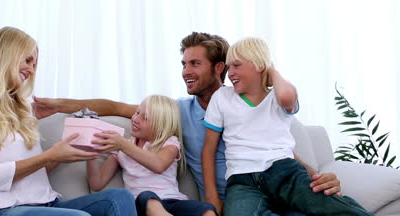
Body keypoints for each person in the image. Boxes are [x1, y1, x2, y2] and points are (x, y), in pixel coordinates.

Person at [32, 32, 342, 215]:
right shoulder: (176, 113)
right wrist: (57, 105)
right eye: (183, 64)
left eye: (195, 64)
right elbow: (114, 107)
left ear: (219, 68)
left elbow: (276, 148)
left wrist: (317, 177)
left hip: (273, 187)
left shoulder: (245, 102)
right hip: (235, 201)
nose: (185, 71)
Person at [0, 27, 137, 216]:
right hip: (2, 210)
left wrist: (61, 113)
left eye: (34, 64)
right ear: (6, 55)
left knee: (119, 198)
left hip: (47, 204)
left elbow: (95, 106)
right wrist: (50, 156)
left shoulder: (21, 108)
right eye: (28, 60)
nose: (31, 70)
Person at [202, 37, 371, 215]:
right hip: (242, 180)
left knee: (327, 204)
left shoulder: (277, 97)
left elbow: (287, 97)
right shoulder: (222, 97)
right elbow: (208, 150)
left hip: (284, 171)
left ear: (260, 65)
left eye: (237, 65)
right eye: (229, 67)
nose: (230, 73)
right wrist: (212, 197)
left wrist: (272, 72)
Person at [86, 95, 216, 216]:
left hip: (173, 201)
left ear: (161, 126)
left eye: (145, 118)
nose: (135, 119)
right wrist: (90, 153)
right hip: (140, 204)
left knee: (207, 209)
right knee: (148, 198)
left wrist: (123, 145)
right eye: (137, 112)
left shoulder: (170, 143)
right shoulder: (121, 149)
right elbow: (97, 183)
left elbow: (159, 165)